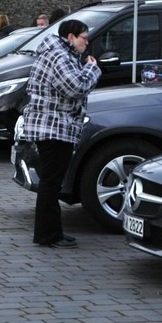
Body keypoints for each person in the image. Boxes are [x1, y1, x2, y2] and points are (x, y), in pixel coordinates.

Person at [21, 19, 101, 249]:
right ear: (70, 37)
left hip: (50, 126)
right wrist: (92, 68)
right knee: (51, 183)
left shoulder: (56, 53)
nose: (87, 42)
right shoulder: (59, 56)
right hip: (53, 127)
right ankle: (49, 235)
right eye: (84, 37)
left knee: (51, 182)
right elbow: (76, 87)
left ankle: (49, 233)